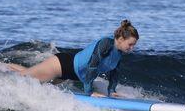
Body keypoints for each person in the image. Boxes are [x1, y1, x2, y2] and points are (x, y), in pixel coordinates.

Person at [8, 20, 139, 97]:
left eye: (134, 45)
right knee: (23, 77)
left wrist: (112, 91)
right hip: (62, 65)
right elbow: (92, 66)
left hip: (71, 73)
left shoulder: (119, 52)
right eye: (130, 44)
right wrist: (90, 92)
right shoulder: (106, 43)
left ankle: (5, 66)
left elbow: (114, 72)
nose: (132, 48)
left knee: (31, 76)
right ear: (121, 39)